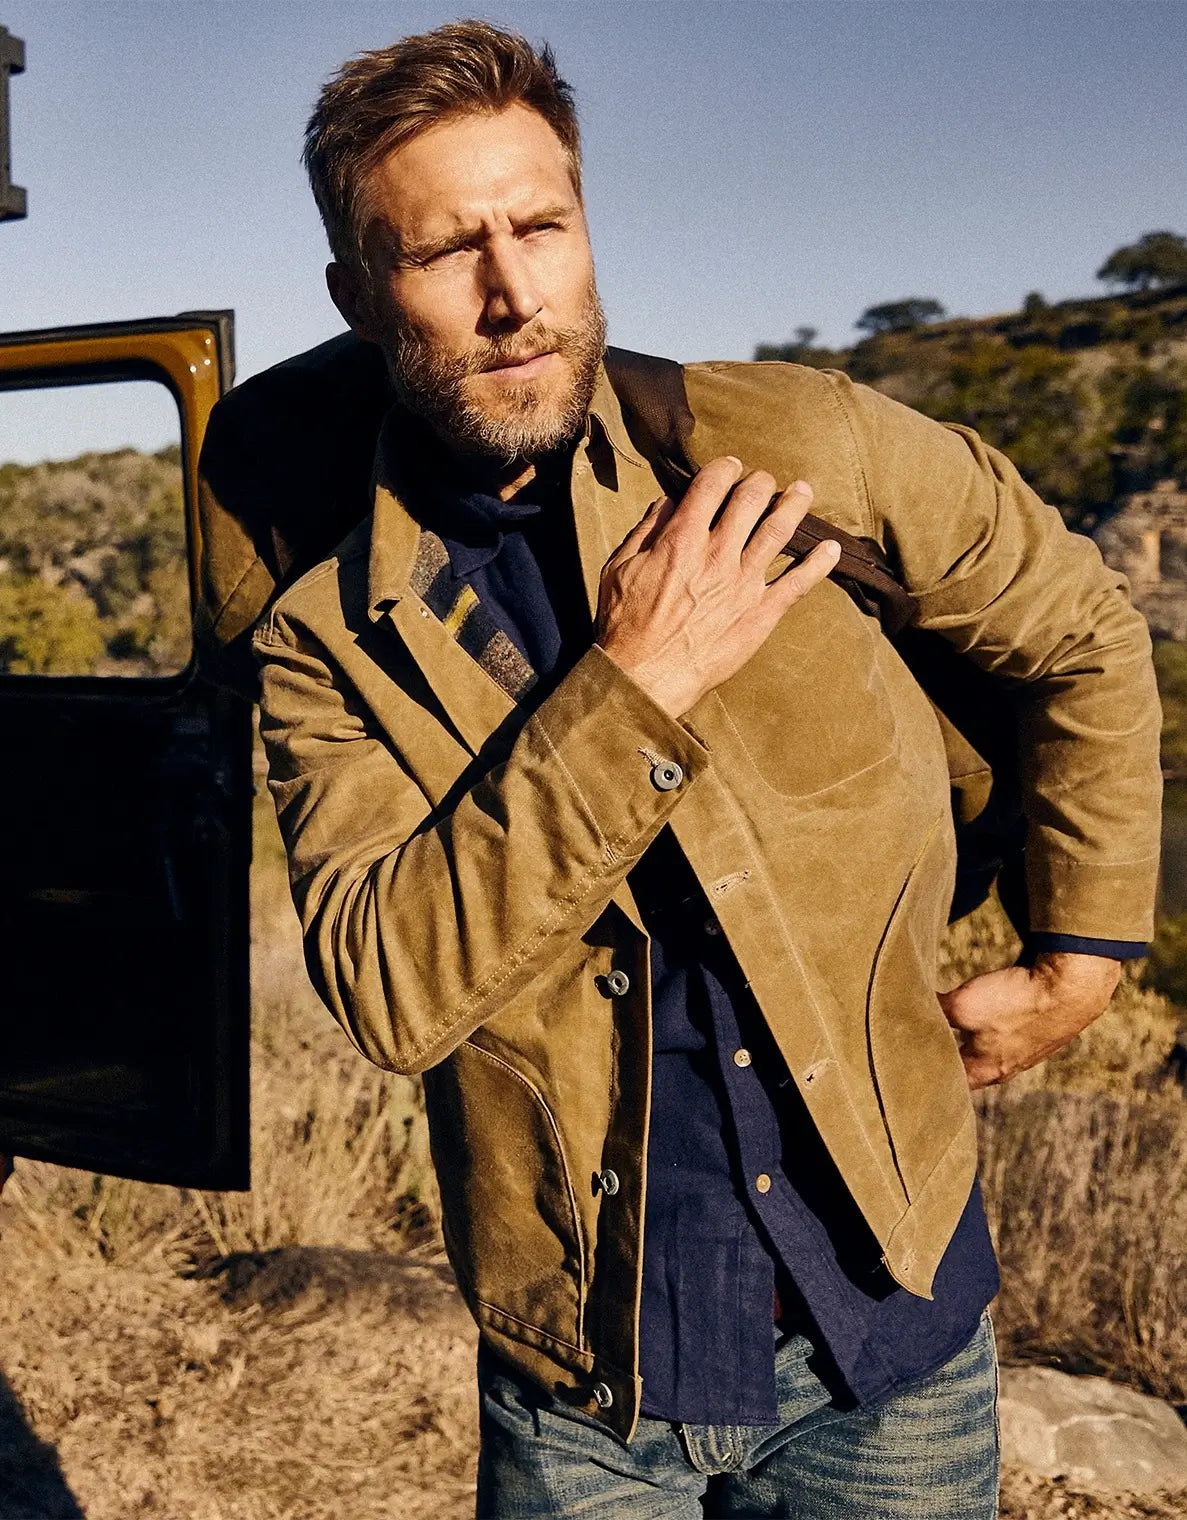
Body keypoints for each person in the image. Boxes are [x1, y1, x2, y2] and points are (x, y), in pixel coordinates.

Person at [211, 21, 1162, 1518]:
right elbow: (391, 989)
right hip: (588, 1385)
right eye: (447, 250)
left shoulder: (806, 447)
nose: (515, 294)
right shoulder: (330, 635)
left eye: (542, 226)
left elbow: (1083, 632)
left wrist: (1086, 951)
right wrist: (637, 683)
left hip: (892, 1332)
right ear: (356, 297)